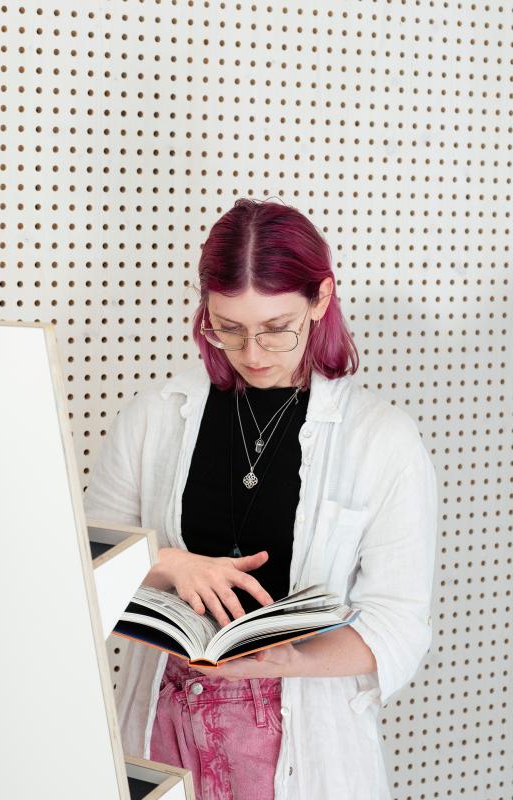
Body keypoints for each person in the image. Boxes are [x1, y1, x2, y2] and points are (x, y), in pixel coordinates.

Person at [83, 198, 438, 800]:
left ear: (320, 300)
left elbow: (398, 623)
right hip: (159, 728)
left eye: (277, 328)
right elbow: (81, 564)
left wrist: (289, 662)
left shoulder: (382, 439)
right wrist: (163, 561)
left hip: (306, 743)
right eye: (229, 328)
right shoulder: (154, 418)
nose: (252, 353)